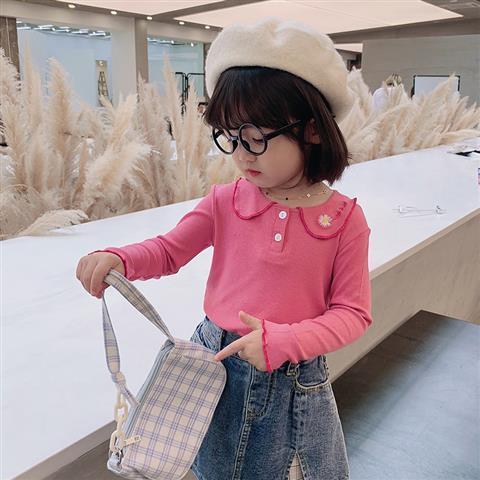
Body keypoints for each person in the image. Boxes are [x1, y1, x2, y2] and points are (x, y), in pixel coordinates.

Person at [76, 17, 372, 480]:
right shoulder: (225, 201)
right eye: (230, 137)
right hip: (213, 363)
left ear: (313, 130)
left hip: (291, 377)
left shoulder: (344, 220)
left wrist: (287, 340)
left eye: (256, 138)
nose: (241, 153)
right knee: (210, 467)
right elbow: (169, 251)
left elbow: (352, 313)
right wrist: (121, 258)